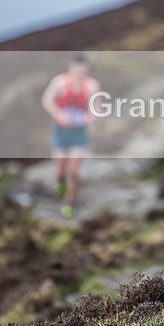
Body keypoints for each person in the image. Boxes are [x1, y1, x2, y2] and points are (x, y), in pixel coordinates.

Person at [41, 54, 101, 218]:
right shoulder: (59, 82)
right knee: (61, 168)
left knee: (73, 171)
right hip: (61, 131)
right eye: (77, 69)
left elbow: (97, 107)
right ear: (71, 68)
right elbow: (47, 100)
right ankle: (60, 181)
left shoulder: (92, 85)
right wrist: (58, 115)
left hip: (79, 132)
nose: (80, 73)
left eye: (83, 70)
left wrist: (90, 117)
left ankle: (69, 202)